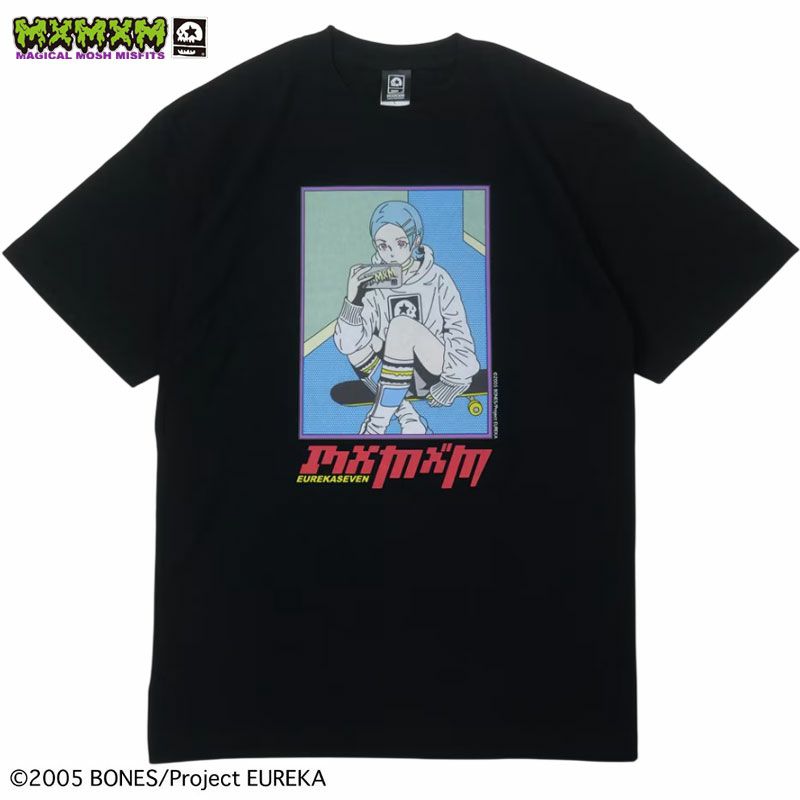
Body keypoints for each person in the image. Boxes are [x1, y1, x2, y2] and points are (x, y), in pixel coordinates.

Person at [333, 200, 481, 435]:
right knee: (357, 345)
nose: (391, 253)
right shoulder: (374, 283)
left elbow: (458, 330)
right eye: (382, 245)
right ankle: (409, 417)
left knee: (401, 327)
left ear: (416, 240)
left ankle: (376, 424)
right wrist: (354, 299)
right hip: (394, 376)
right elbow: (346, 345)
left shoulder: (437, 278)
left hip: (434, 373)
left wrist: (456, 379)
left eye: (400, 243)